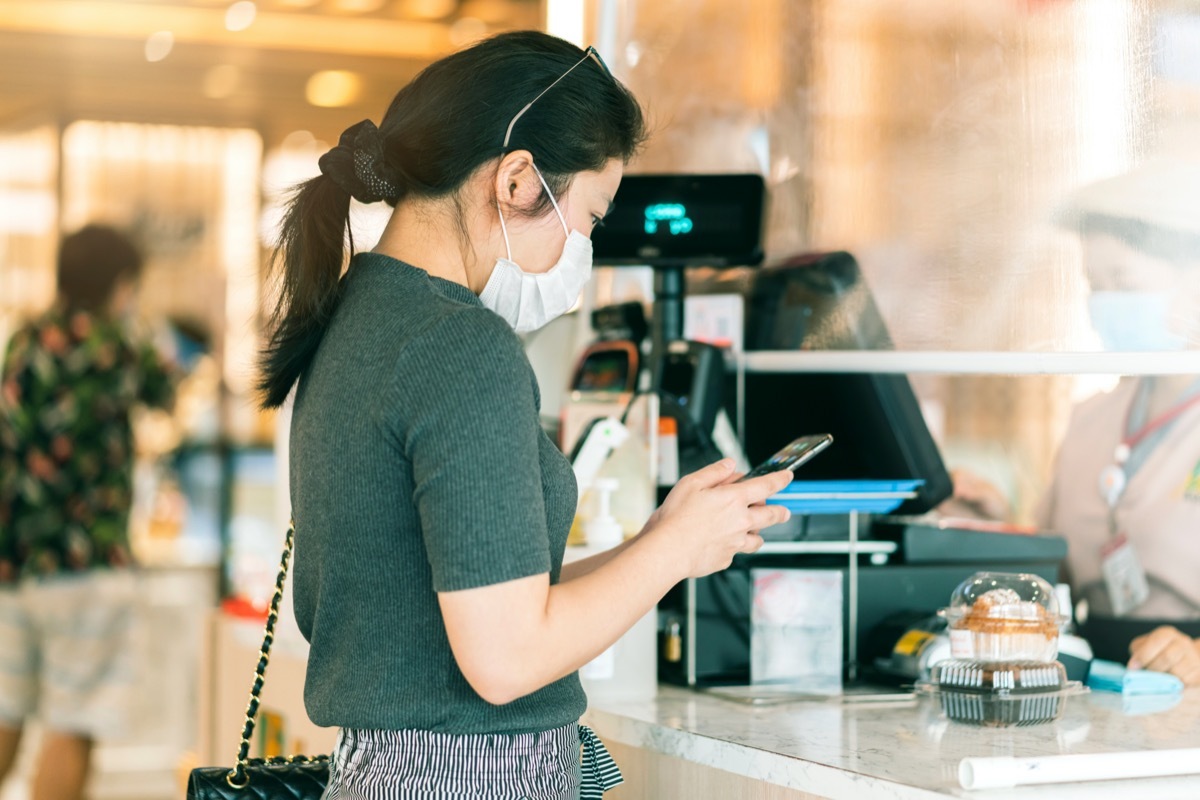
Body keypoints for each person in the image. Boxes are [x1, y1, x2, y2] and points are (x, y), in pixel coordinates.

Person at [259, 31, 791, 799]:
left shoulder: (360, 318)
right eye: (591, 216)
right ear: (515, 180)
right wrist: (671, 554)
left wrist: (660, 542)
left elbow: (456, 598)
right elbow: (504, 660)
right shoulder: (461, 347)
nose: (584, 247)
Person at [951, 157, 1200, 685]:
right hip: (1100, 679)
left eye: (1124, 281)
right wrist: (1001, 527)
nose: (1106, 303)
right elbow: (1058, 568)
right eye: (1095, 285)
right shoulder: (1094, 417)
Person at [0, 225, 175, 800]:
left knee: (5, 713)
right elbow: (166, 393)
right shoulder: (117, 344)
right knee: (72, 722)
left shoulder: (24, 341)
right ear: (120, 285)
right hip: (86, 562)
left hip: (13, 560)